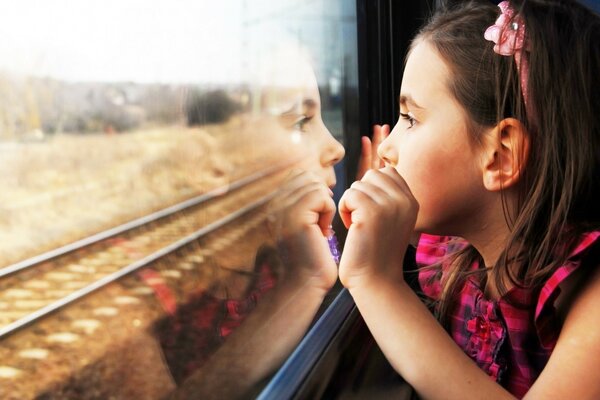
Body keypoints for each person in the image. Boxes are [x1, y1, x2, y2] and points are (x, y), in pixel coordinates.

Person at [335, 0, 600, 398]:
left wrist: (378, 283)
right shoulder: (453, 256)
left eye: (410, 119)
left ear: (501, 156)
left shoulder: (590, 296)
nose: (387, 148)